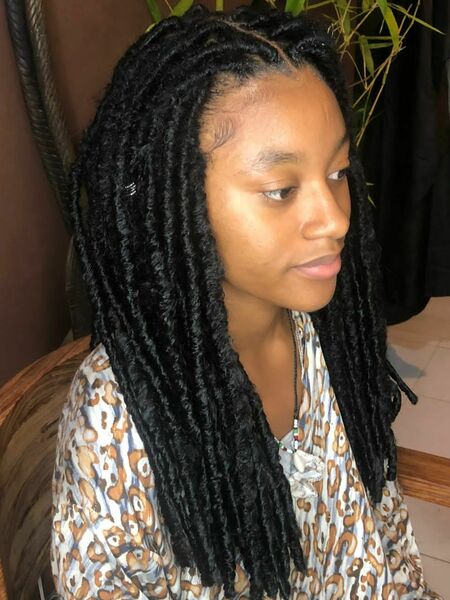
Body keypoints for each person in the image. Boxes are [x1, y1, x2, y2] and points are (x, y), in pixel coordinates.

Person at [50, 5, 443, 599]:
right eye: (281, 190)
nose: (335, 219)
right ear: (176, 203)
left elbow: (382, 523)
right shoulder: (115, 422)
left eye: (338, 172)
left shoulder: (329, 333)